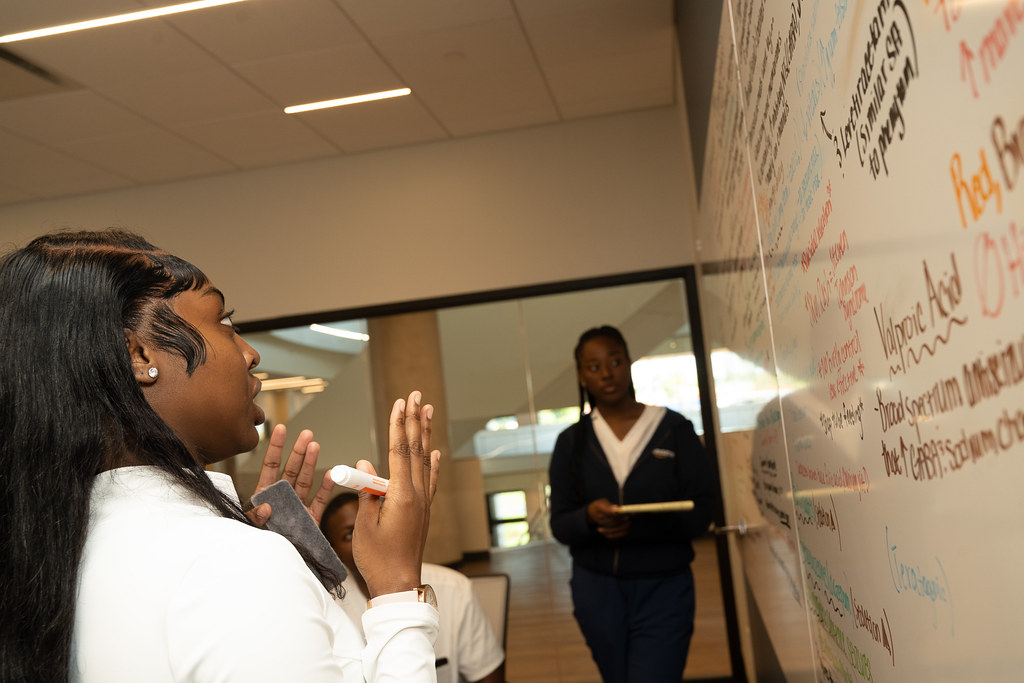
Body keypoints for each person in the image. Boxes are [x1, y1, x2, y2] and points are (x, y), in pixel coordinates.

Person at [0, 229, 441, 683]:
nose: (250, 354)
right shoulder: (227, 565)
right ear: (138, 354)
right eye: (225, 324)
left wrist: (295, 575)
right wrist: (396, 590)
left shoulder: (52, 553)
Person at [548, 325, 715, 683]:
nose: (606, 373)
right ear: (581, 375)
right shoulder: (571, 442)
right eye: (594, 367)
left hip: (664, 586)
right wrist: (589, 518)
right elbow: (560, 524)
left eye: (615, 361)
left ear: (629, 363)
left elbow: (703, 509)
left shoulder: (673, 428)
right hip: (596, 591)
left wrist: (639, 526)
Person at [321, 493, 506, 683]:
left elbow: (488, 675)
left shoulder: (454, 588)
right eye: (350, 534)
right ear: (333, 552)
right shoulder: (328, 606)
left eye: (375, 522)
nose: (365, 538)